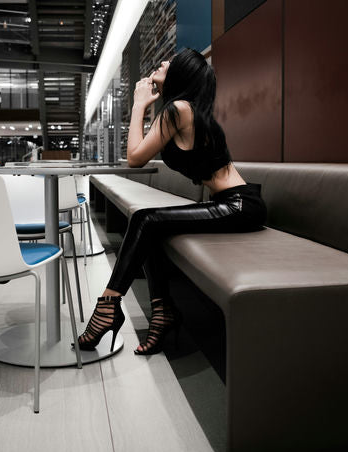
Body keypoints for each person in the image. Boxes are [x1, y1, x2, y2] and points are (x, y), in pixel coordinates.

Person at [76, 49, 267, 355]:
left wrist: (139, 104)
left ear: (180, 73)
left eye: (170, 62)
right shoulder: (180, 109)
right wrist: (148, 105)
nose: (163, 62)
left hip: (239, 205)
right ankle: (162, 312)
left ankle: (109, 305)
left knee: (146, 220)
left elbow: (135, 158)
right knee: (151, 225)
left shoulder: (179, 109)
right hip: (233, 203)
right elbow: (141, 152)